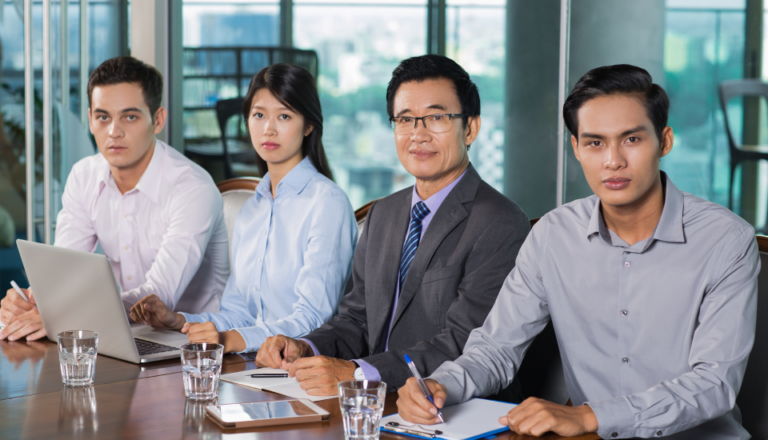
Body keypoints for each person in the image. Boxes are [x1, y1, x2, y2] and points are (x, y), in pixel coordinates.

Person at [396, 64, 760, 439]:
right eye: (595, 142)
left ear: (664, 141)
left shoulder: (726, 241)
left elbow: (714, 384)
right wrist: (441, 386)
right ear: (576, 147)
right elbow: (495, 349)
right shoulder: (552, 235)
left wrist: (592, 417)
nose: (613, 160)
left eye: (632, 140)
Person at [255, 54, 530, 395]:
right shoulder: (383, 213)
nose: (418, 134)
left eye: (436, 117)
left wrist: (358, 373)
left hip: (449, 410)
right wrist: (304, 347)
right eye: (405, 119)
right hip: (371, 405)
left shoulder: (500, 222)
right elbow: (355, 320)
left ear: (470, 127)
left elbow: (464, 342)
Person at [129, 64, 357, 354]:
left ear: (309, 125)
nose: (269, 128)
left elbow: (313, 319)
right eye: (259, 115)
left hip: (303, 371)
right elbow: (239, 316)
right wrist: (178, 321)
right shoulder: (253, 209)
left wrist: (228, 340)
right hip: (252, 366)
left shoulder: (327, 203)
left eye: (284, 116)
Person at [0, 56, 229, 341]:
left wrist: (61, 313)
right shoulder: (84, 176)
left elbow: (159, 294)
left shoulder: (192, 188)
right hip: (121, 336)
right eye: (103, 117)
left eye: (130, 117)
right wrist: (32, 300)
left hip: (195, 344)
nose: (114, 132)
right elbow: (65, 273)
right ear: (90, 119)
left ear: (158, 120)